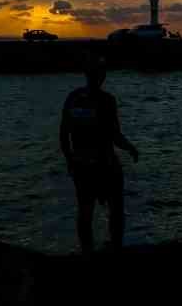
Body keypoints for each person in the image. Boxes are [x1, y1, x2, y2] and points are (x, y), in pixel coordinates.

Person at [59, 57, 139, 253]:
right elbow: (115, 135)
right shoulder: (107, 100)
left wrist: (70, 159)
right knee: (116, 210)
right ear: (102, 76)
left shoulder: (72, 98)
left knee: (85, 210)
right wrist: (130, 147)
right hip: (106, 164)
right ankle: (115, 248)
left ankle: (86, 251)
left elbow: (63, 133)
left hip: (81, 164)